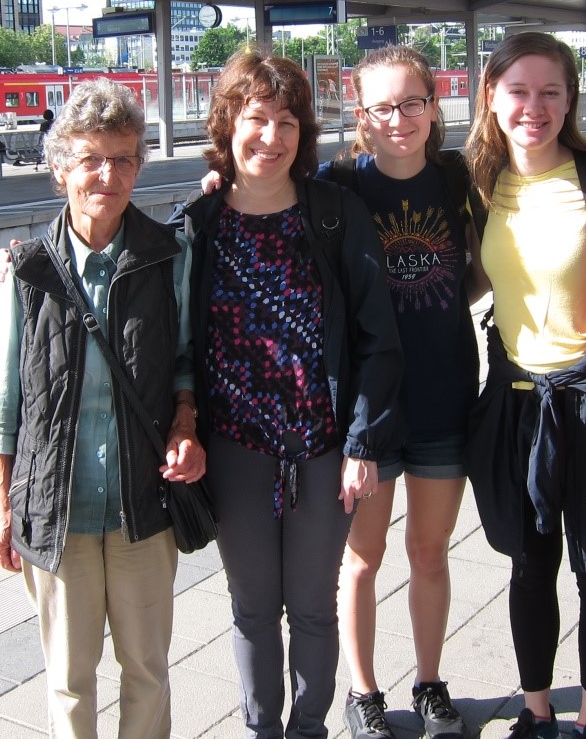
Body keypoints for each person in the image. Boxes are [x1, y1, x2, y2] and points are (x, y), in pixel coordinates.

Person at [177, 48, 403, 739]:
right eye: (254, 119)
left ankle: (309, 729)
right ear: (227, 125)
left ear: (303, 135)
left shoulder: (333, 215)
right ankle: (261, 731)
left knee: (310, 606)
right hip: (235, 447)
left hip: (320, 447)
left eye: (286, 123)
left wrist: (362, 444)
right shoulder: (199, 225)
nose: (269, 137)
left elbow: (377, 338)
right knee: (251, 607)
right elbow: (165, 329)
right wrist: (20, 264)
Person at [0, 78, 202, 739]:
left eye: (124, 158)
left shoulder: (169, 256)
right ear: (61, 169)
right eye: (90, 159)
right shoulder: (26, 271)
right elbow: (3, 400)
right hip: (58, 508)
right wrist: (2, 507)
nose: (107, 174)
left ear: (139, 163)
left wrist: (187, 425)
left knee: (147, 671)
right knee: (69, 683)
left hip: (143, 503)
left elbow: (188, 358)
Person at [463, 32, 586, 739]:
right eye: (518, 91)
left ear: (570, 98)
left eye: (550, 92)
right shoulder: (475, 180)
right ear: (491, 99)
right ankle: (535, 714)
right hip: (513, 404)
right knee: (529, 568)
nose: (534, 107)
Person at [322, 46, 482, 739]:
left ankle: (429, 681)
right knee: (362, 556)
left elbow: (478, 267)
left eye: (411, 102)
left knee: (428, 550)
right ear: (361, 116)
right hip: (367, 407)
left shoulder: (455, 179)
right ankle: (361, 692)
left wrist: (447, 311)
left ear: (433, 104)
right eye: (381, 107)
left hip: (444, 390)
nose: (398, 119)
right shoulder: (337, 186)